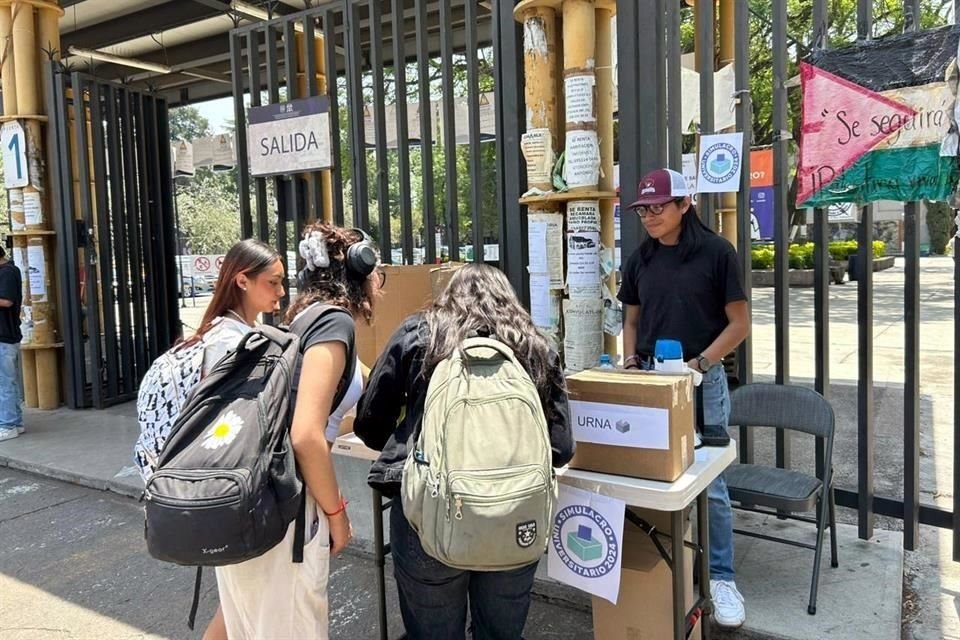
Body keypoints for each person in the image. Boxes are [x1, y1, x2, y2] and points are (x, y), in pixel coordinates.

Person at [354, 263, 574, 640]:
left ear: (447, 297)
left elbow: (370, 427)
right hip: (514, 516)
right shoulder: (536, 344)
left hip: (428, 516)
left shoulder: (419, 334)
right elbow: (560, 447)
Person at [213, 224, 383, 640]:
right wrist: (337, 516)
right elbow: (306, 434)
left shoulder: (303, 319)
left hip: (255, 500)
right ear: (360, 272)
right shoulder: (333, 325)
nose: (381, 283)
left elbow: (362, 383)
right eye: (379, 272)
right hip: (289, 509)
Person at [617, 168, 750, 629]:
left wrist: (701, 365)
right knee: (654, 476)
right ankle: (662, 565)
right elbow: (631, 321)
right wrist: (630, 360)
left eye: (658, 206)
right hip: (653, 381)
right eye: (642, 209)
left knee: (710, 480)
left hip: (703, 381)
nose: (649, 216)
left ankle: (721, 578)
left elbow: (740, 324)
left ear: (684, 205)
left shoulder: (717, 254)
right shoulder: (640, 260)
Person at [0, 244, 22, 442]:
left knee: (4, 383)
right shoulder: (9, 271)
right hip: (7, 337)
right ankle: (16, 422)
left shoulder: (7, 273)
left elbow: (6, 301)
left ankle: (8, 425)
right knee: (9, 382)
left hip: (4, 337)